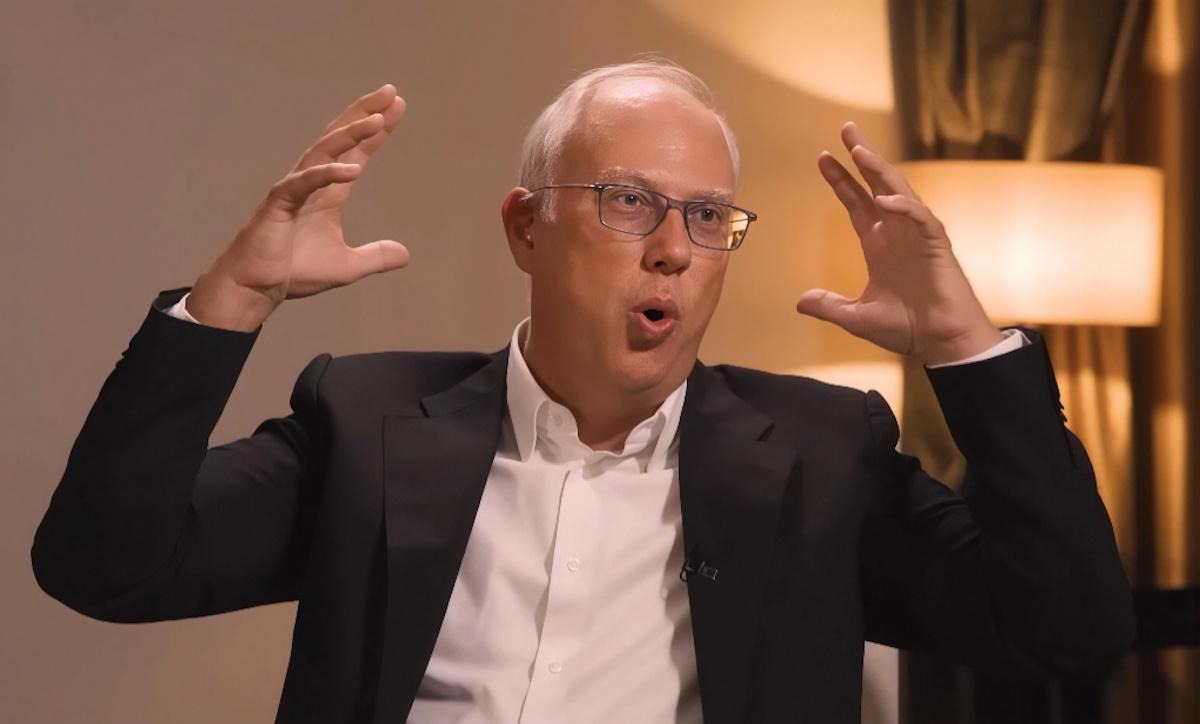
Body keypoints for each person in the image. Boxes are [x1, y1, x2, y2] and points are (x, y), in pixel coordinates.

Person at [31, 59, 1134, 724]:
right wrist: (232, 298)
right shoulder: (368, 426)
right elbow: (105, 566)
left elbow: (1066, 629)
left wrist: (964, 347)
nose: (674, 249)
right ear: (527, 228)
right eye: (628, 201)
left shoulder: (819, 454)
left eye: (709, 216)